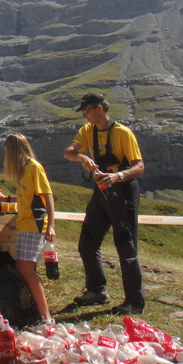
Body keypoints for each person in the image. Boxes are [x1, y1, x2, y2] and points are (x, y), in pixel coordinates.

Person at [64, 92, 146, 315]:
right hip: (101, 191)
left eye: (87, 110)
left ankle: (134, 302)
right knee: (87, 242)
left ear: (99, 108)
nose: (84, 115)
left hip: (123, 193)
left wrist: (117, 176)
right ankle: (97, 290)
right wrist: (82, 157)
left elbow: (139, 167)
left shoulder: (122, 133)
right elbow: (69, 152)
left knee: (126, 248)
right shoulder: (87, 131)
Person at [2, 133, 56, 324]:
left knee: (26, 267)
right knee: (23, 266)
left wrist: (51, 225)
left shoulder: (34, 167)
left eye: (7, 150)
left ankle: (46, 316)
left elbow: (47, 196)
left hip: (35, 223)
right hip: (24, 223)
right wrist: (7, 199)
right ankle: (37, 309)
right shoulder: (22, 170)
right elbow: (27, 196)